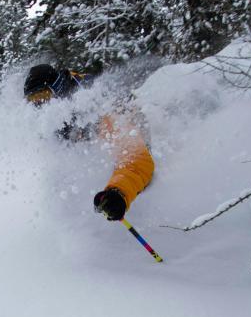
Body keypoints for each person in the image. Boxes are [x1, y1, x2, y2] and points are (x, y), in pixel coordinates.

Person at [23, 64, 154, 221]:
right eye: (33, 101)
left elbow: (136, 159)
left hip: (138, 161)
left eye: (43, 96)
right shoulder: (53, 120)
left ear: (58, 89)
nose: (40, 105)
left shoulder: (96, 107)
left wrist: (118, 192)